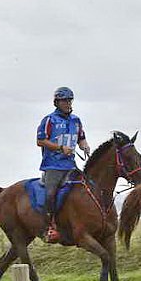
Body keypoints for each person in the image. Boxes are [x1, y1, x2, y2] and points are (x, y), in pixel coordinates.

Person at [36, 87, 90, 243]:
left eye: (69, 100)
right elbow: (40, 141)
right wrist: (60, 148)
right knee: (51, 193)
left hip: (70, 165)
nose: (67, 103)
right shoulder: (49, 120)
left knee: (85, 188)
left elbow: (81, 138)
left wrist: (85, 146)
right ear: (57, 102)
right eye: (64, 101)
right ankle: (49, 227)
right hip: (53, 165)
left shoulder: (76, 120)